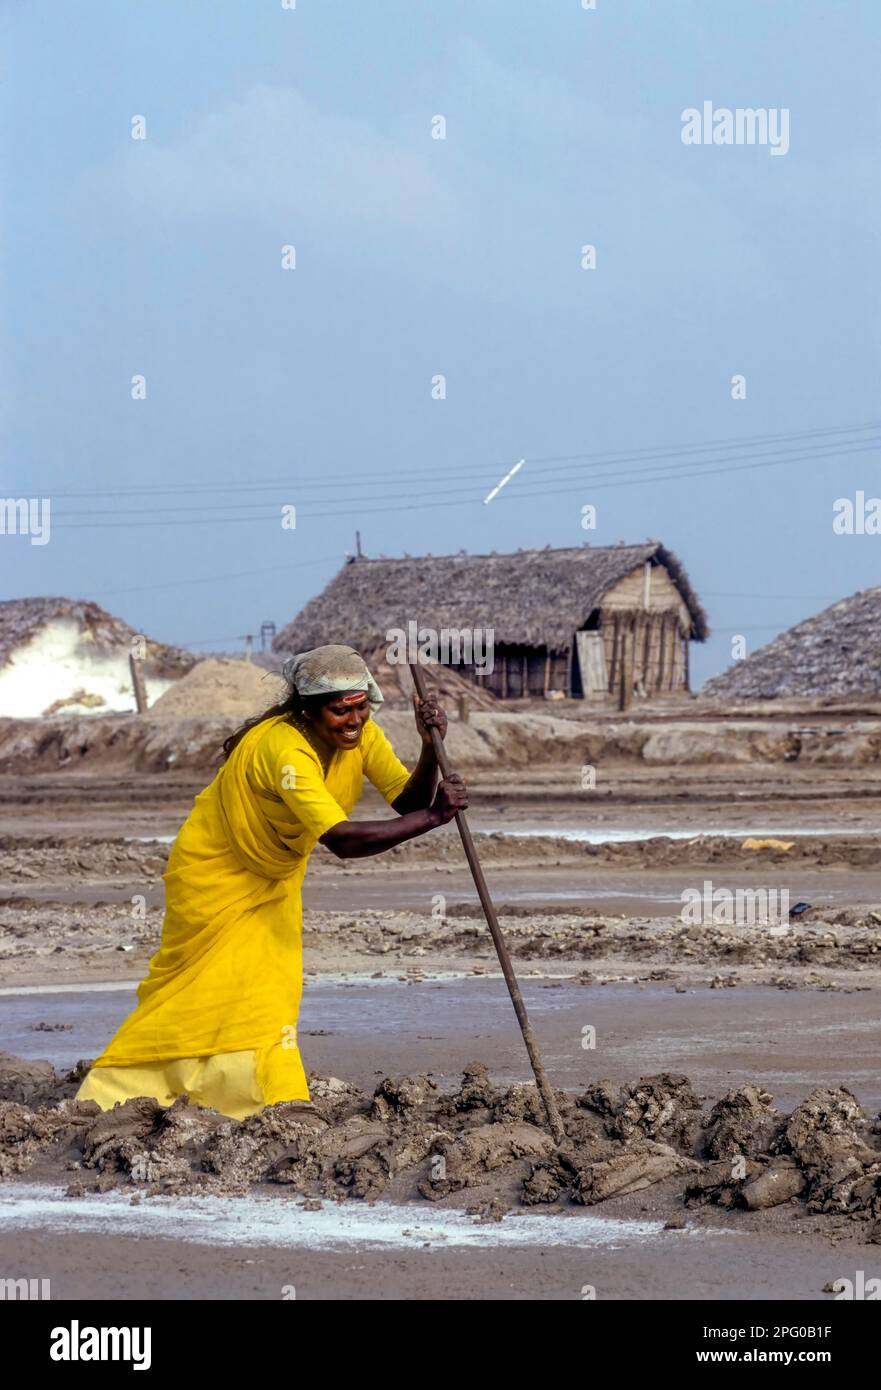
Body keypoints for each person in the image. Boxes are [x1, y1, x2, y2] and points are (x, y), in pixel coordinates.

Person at [76, 644, 467, 1120]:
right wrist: (435, 817)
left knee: (271, 983)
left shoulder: (362, 737)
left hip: (276, 874)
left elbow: (405, 801)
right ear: (307, 709)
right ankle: (124, 1084)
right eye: (339, 710)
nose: (353, 719)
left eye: (361, 706)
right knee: (194, 984)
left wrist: (430, 749)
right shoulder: (284, 750)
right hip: (215, 871)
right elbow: (342, 841)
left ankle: (249, 1090)